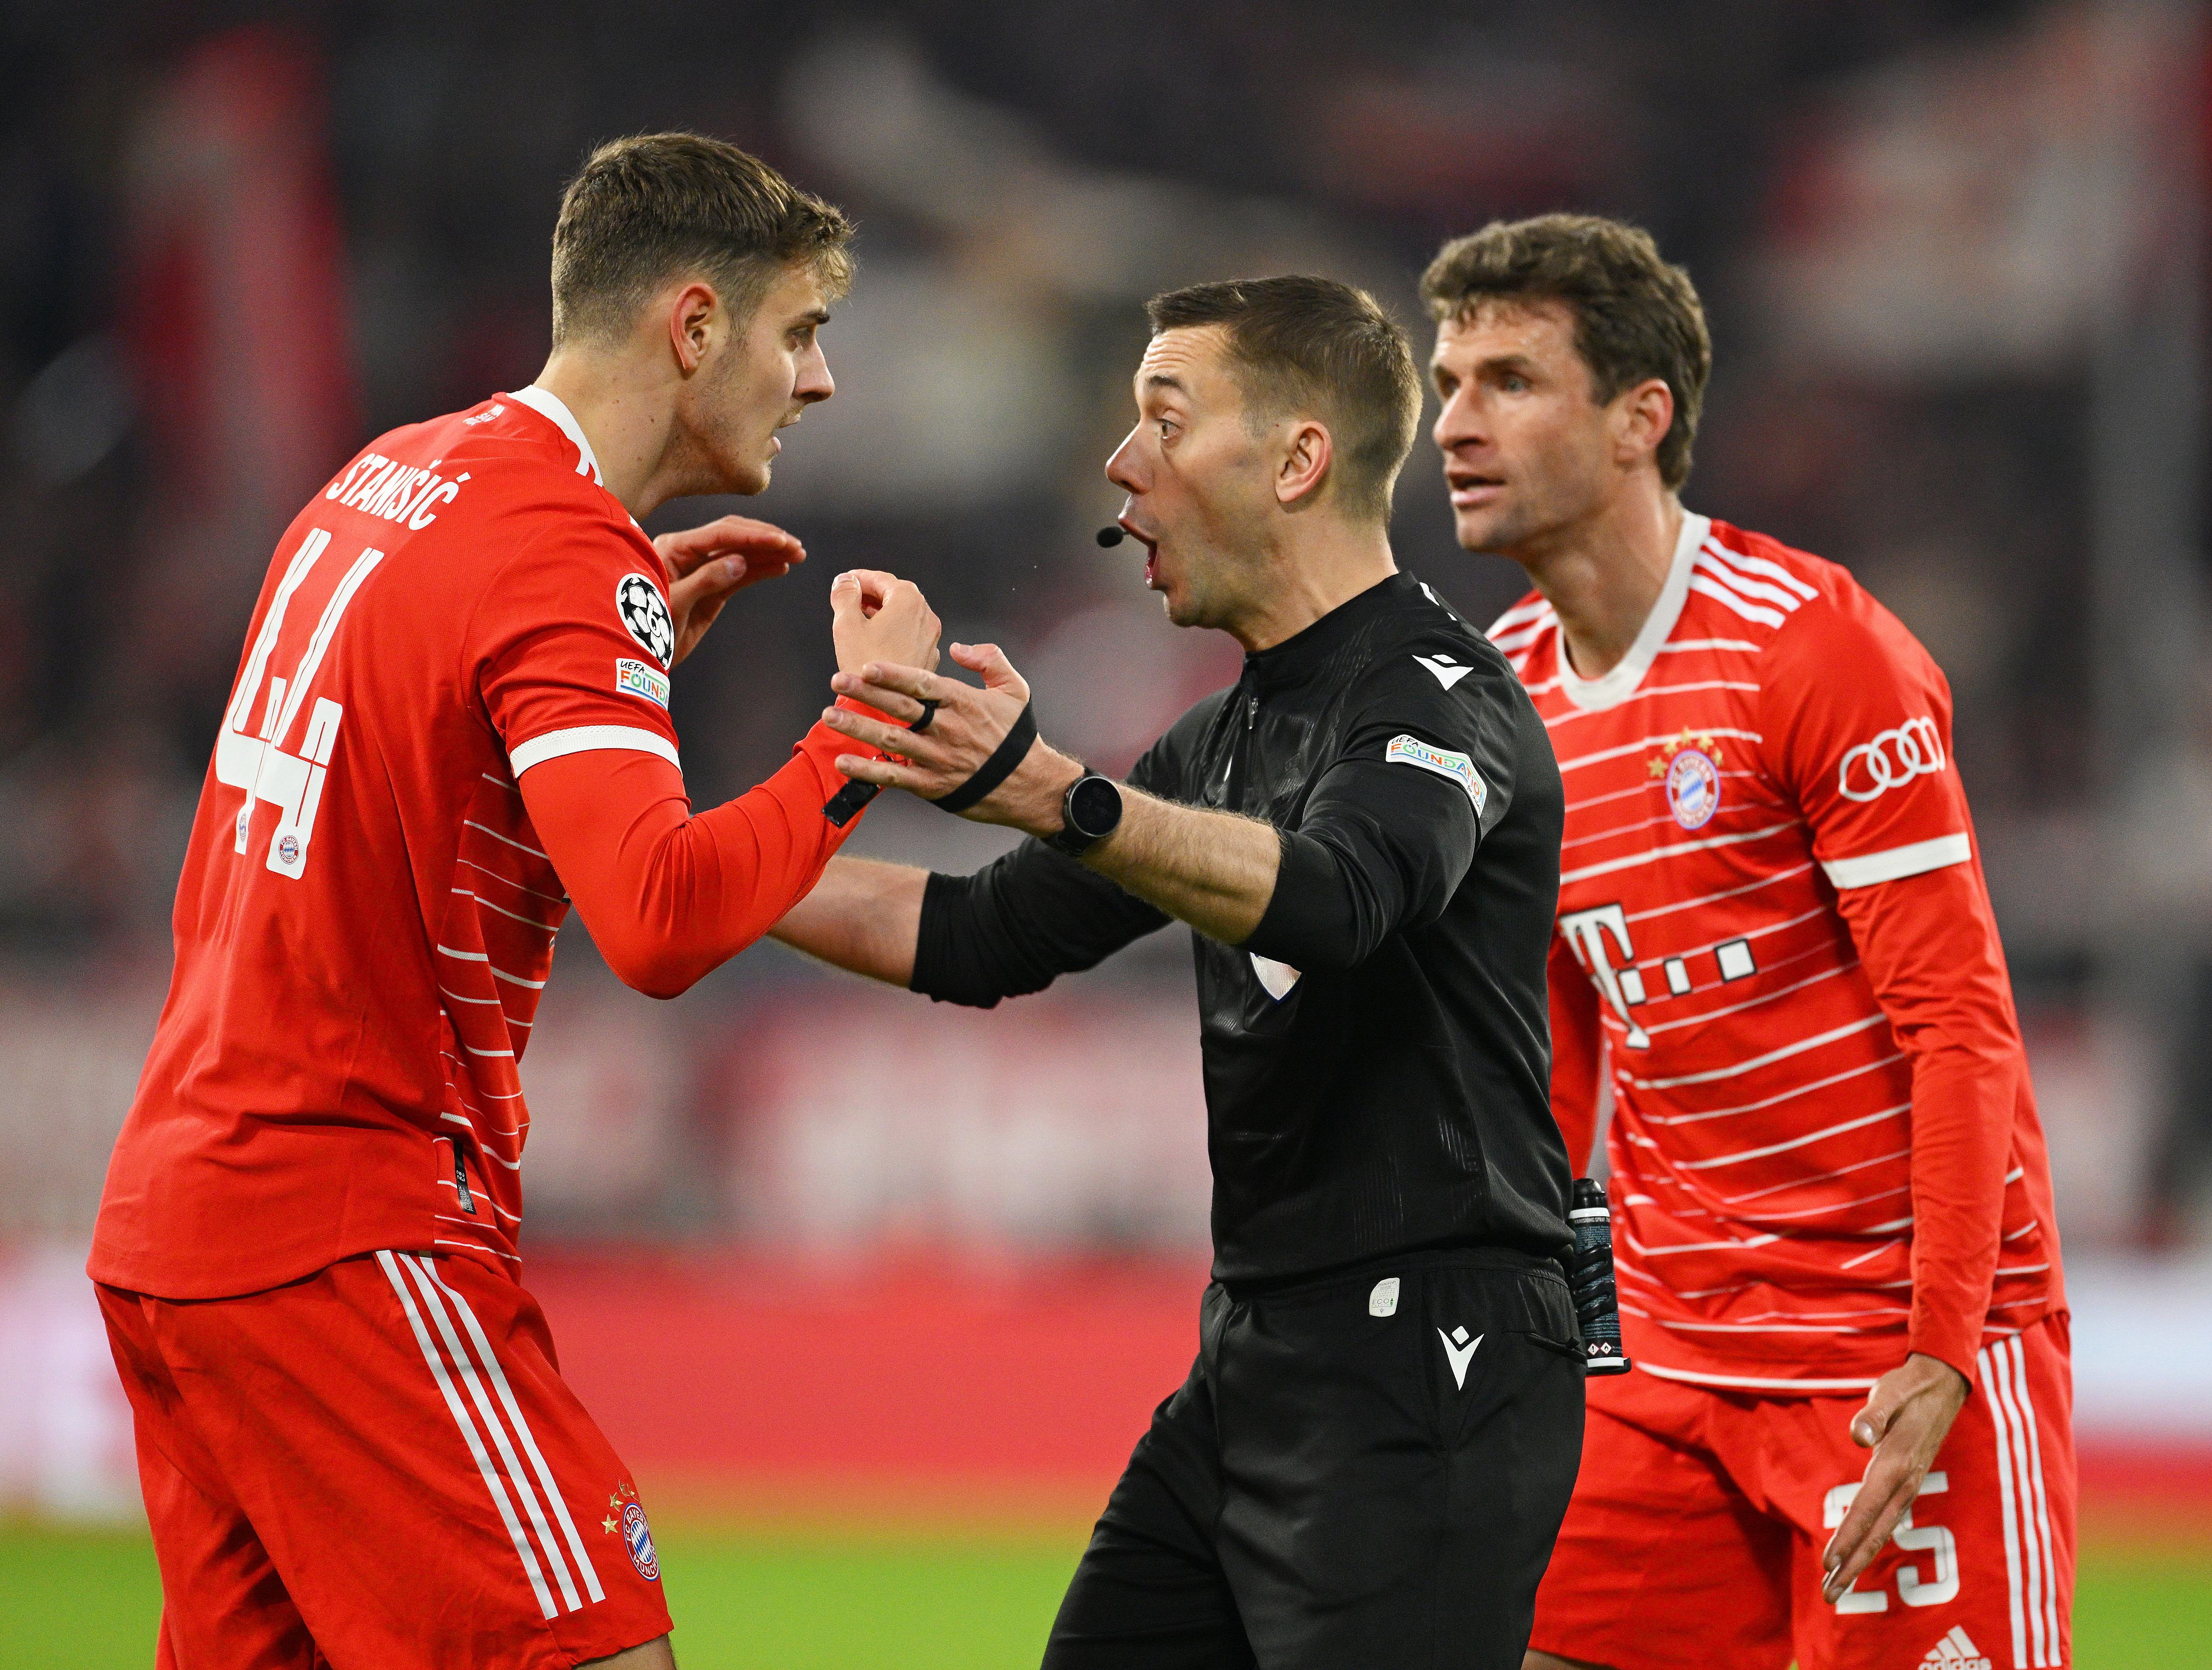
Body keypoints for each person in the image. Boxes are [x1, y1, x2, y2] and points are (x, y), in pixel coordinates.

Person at [88, 132, 938, 1670]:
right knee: (602, 1655)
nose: (817, 383)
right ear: (693, 328)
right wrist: (864, 730)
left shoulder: (394, 476)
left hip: (180, 1224)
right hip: (346, 1225)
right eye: (800, 333)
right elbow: (664, 923)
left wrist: (618, 669)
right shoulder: (559, 544)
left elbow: (409, 774)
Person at [769, 274, 1585, 1669]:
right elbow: (974, 938)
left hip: (1433, 1359)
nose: (1119, 463)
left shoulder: (1445, 697)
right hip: (1257, 1356)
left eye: (1164, 418)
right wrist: (660, 851)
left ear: (1297, 458)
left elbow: (1342, 902)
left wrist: (1054, 796)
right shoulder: (1219, 741)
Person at [1421, 213, 2073, 1670]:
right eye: (1449, 381)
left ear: (1640, 418)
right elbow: (1560, 1048)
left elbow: (1959, 1023)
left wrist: (1942, 1349)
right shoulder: (1497, 696)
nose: (1454, 424)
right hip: (1668, 1353)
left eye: (1509, 382)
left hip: (1893, 1348)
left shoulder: (1813, 650)